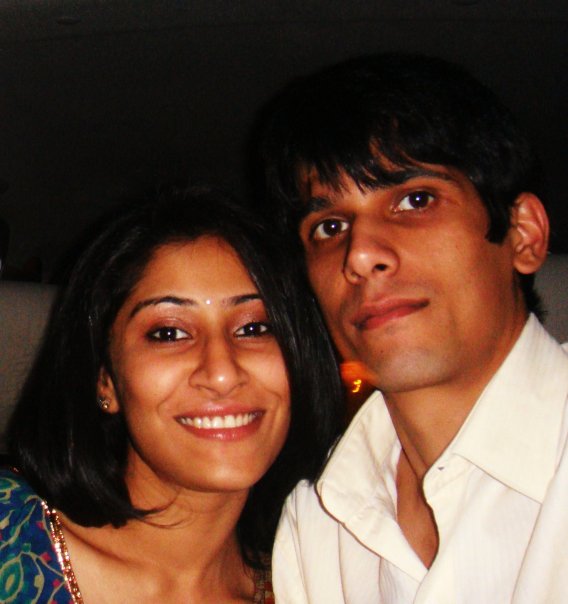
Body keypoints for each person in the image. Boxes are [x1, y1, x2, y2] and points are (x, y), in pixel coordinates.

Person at [255, 53, 568, 602]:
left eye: (415, 200)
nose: (360, 255)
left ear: (523, 235)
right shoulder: (317, 525)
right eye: (329, 226)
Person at [1, 188, 343, 603]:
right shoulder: (9, 537)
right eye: (168, 333)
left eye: (254, 328)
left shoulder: (317, 582)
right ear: (105, 380)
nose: (222, 373)